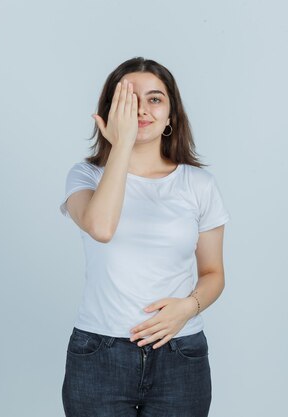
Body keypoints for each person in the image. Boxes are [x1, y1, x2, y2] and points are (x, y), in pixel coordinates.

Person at [59, 57, 231, 417]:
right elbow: (101, 228)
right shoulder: (85, 176)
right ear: (110, 111)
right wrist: (122, 145)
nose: (142, 109)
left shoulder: (199, 184)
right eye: (129, 98)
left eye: (154, 99)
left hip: (180, 353)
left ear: (171, 115)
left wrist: (187, 308)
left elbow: (214, 273)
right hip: (98, 355)